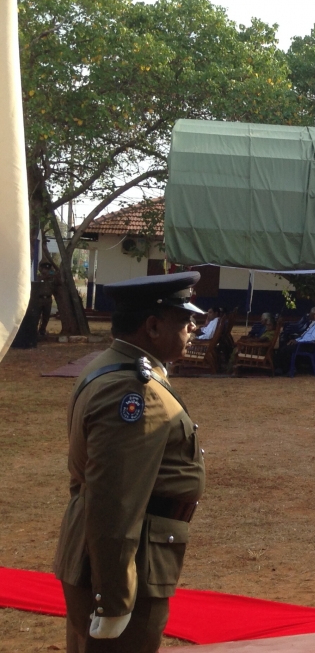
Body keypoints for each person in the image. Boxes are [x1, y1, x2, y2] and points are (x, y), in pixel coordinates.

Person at [53, 272, 206, 653]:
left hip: (110, 557)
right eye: (183, 320)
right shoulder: (132, 389)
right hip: (125, 563)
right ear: (153, 326)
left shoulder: (115, 365)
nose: (193, 327)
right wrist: (114, 598)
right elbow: (114, 503)